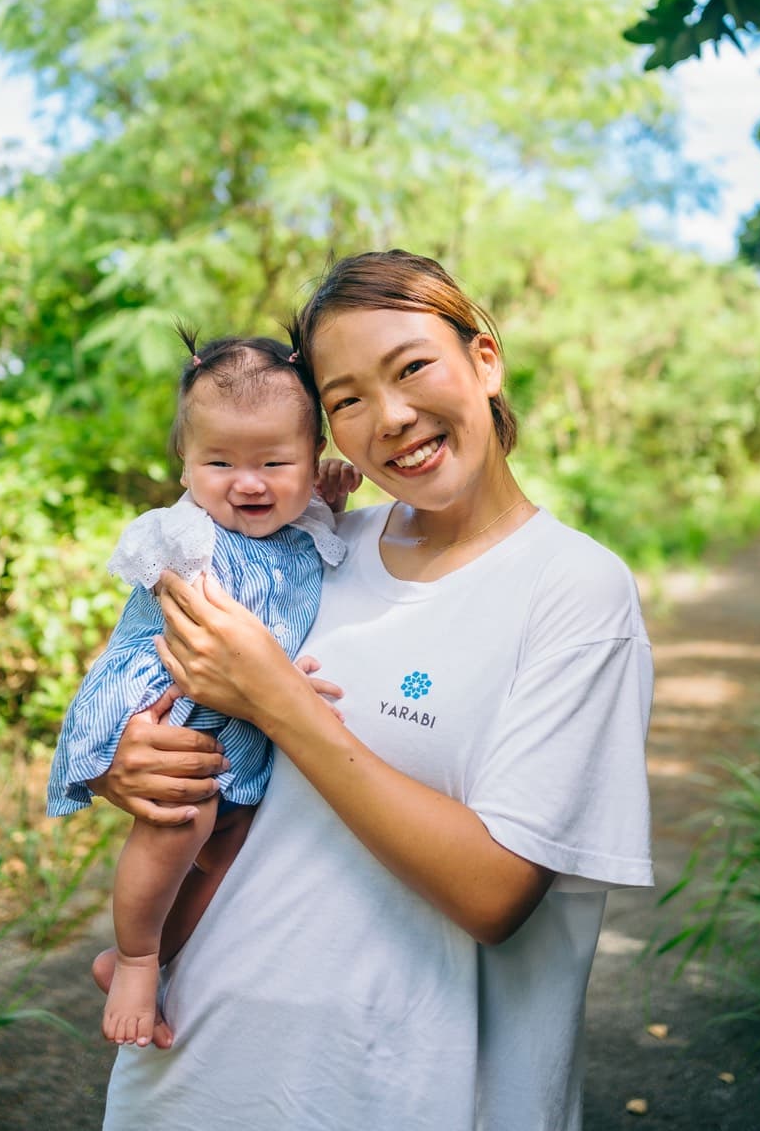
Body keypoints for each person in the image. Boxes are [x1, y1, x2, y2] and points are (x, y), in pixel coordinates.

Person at [83, 250, 655, 1131]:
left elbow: (494, 894)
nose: (389, 416)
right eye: (345, 397)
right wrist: (135, 755)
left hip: (407, 1089)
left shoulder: (572, 588)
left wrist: (279, 699)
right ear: (326, 430)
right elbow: (160, 674)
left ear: (484, 359)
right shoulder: (315, 546)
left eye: (413, 366)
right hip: (196, 1066)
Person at [46, 332, 349, 1048]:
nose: (247, 483)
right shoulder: (184, 534)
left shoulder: (302, 520)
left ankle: (152, 950)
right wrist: (273, 668)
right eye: (219, 463)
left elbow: (306, 526)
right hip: (174, 698)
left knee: (236, 839)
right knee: (182, 815)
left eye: (276, 463)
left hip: (244, 708)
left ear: (312, 462)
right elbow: (201, 627)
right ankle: (135, 958)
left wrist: (324, 497)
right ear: (183, 463)